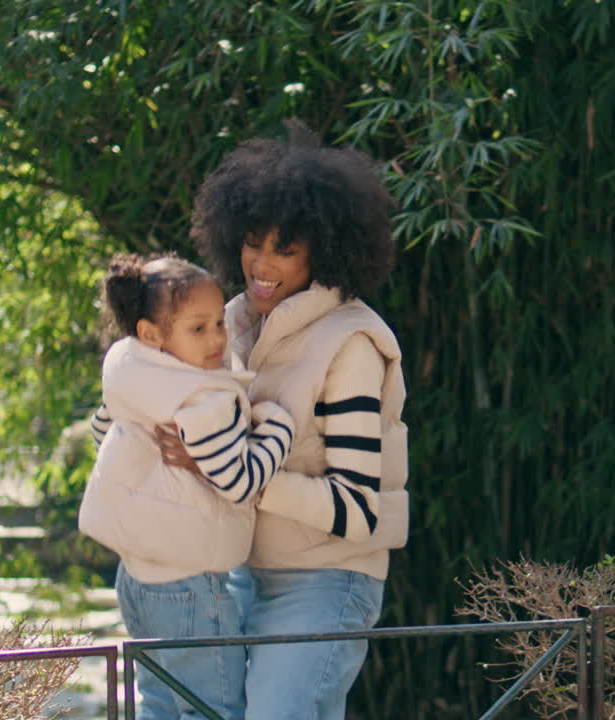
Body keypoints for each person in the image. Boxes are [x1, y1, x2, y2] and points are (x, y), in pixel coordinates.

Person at [166, 121, 409, 720]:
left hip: (328, 581)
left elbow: (358, 507)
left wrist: (237, 472)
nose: (262, 263)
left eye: (285, 248)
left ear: (324, 251)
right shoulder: (231, 323)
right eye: (252, 241)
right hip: (244, 572)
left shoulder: (351, 341)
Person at [78, 252, 296, 720]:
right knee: (213, 710)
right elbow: (240, 481)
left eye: (218, 323)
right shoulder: (203, 398)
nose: (217, 338)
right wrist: (276, 424)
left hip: (136, 580)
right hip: (191, 586)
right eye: (198, 329)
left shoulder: (129, 375)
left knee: (159, 704)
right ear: (152, 334)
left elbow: (102, 432)